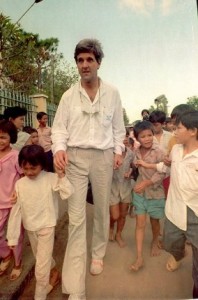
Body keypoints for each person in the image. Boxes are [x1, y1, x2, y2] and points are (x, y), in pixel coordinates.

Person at [51, 38, 125, 299]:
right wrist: (59, 149)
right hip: (76, 158)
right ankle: (75, 284)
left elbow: (119, 128)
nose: (84, 65)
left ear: (98, 63)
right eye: (80, 60)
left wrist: (118, 152)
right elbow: (59, 128)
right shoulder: (68, 95)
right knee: (77, 217)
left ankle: (98, 254)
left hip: (103, 158)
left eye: (89, 60)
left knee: (102, 210)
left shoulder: (113, 93)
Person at [7, 144, 74, 300]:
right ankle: (55, 273)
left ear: (42, 165)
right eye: (25, 168)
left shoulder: (51, 178)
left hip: (46, 227)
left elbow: (68, 193)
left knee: (40, 269)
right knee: (41, 258)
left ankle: (39, 296)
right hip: (30, 228)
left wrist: (62, 176)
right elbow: (16, 211)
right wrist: (12, 236)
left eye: (33, 168)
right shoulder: (19, 184)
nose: (29, 172)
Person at [153, 111, 198, 299]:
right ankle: (179, 254)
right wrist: (151, 166)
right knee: (170, 242)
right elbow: (167, 167)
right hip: (174, 209)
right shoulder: (177, 149)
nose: (173, 130)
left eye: (178, 127)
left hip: (195, 213)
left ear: (193, 131)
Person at [130, 121, 165, 271]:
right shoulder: (136, 151)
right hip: (140, 192)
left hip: (156, 193)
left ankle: (155, 240)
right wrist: (134, 166)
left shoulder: (160, 151)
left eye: (149, 135)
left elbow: (165, 171)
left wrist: (148, 183)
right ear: (137, 138)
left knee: (155, 222)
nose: (147, 139)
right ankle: (139, 257)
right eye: (143, 136)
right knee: (140, 224)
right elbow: (134, 164)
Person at [0, 120, 23, 280]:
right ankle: (6, 255)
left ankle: (17, 263)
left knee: (15, 234)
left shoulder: (15, 156)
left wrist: (18, 191)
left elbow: (23, 175)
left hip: (14, 202)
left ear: (11, 137)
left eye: (3, 137)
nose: (0, 141)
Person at [109, 133, 135, 247]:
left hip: (126, 188)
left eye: (125, 137)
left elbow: (135, 167)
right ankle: (111, 227)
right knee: (115, 215)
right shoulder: (110, 153)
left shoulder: (131, 154)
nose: (123, 140)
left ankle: (118, 234)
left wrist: (131, 172)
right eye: (120, 138)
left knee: (123, 215)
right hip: (113, 188)